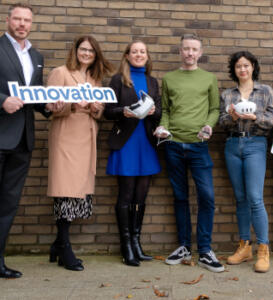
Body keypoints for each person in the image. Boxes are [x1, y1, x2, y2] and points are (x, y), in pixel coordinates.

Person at [155, 34, 223, 273]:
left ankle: (204, 249)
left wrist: (209, 125)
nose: (189, 53)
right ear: (180, 51)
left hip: (198, 145)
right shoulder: (169, 79)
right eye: (186, 49)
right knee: (180, 197)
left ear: (200, 52)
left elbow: (215, 108)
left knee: (207, 197)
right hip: (173, 145)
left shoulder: (209, 79)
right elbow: (166, 110)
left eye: (194, 49)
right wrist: (162, 127)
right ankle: (184, 246)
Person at [46, 35, 113, 271]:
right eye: (83, 49)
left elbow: (101, 109)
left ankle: (57, 245)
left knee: (77, 193)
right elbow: (49, 106)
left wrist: (96, 108)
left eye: (91, 51)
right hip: (65, 135)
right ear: (75, 51)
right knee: (66, 191)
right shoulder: (60, 72)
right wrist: (72, 104)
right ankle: (65, 248)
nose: (86, 54)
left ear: (95, 55)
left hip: (86, 137)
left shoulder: (95, 79)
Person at [0, 3, 51, 278]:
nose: (22, 24)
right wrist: (1, 101)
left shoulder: (36, 55)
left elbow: (34, 97)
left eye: (27, 20)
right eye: (17, 19)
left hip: (23, 142)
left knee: (8, 204)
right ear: (8, 20)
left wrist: (48, 107)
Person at [219, 51, 273, 273]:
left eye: (246, 66)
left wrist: (255, 118)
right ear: (234, 70)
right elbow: (221, 121)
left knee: (255, 198)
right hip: (233, 145)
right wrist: (232, 118)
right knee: (240, 198)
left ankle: (263, 248)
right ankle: (245, 246)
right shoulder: (227, 94)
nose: (242, 70)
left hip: (255, 144)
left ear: (253, 67)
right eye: (238, 67)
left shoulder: (266, 91)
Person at [104, 41, 161, 266]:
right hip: (126, 143)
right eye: (135, 51)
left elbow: (159, 112)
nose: (139, 55)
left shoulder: (153, 81)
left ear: (147, 56)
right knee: (126, 195)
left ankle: (137, 243)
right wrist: (124, 112)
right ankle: (126, 245)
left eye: (143, 52)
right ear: (127, 55)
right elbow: (108, 111)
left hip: (146, 143)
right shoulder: (119, 80)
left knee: (141, 196)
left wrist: (155, 111)